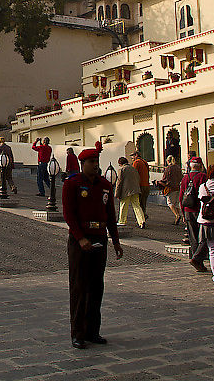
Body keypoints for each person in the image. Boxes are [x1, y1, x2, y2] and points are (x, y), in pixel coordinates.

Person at [63, 145, 123, 349]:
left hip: (99, 238)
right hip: (80, 240)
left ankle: (92, 331)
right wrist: (80, 238)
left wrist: (115, 240)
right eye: (92, 162)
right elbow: (69, 214)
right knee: (79, 287)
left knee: (96, 286)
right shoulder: (72, 184)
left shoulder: (105, 185)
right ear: (82, 164)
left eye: (97, 162)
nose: (95, 165)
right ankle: (77, 333)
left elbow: (110, 215)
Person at [180, 157, 208, 272]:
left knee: (192, 236)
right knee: (204, 235)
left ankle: (196, 258)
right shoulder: (203, 177)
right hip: (200, 209)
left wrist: (182, 212)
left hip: (188, 209)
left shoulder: (185, 178)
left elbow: (181, 195)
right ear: (200, 166)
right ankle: (198, 258)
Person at [116, 157, 145, 228]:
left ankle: (122, 221)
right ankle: (141, 221)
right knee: (137, 206)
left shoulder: (121, 170)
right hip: (135, 190)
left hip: (125, 191)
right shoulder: (133, 169)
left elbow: (119, 182)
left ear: (120, 163)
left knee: (123, 206)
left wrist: (117, 193)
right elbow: (138, 178)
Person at [158, 155, 183, 225]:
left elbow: (165, 179)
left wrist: (159, 182)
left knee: (170, 203)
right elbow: (181, 177)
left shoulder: (168, 169)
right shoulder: (178, 167)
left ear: (168, 161)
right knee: (176, 203)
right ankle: (177, 216)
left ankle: (177, 215)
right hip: (178, 187)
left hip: (170, 188)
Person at [131, 151, 150, 219]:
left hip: (140, 186)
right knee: (143, 203)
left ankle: (141, 218)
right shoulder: (145, 162)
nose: (132, 158)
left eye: (132, 156)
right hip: (147, 185)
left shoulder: (136, 162)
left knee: (138, 204)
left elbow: (133, 174)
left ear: (136, 155)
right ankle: (143, 215)